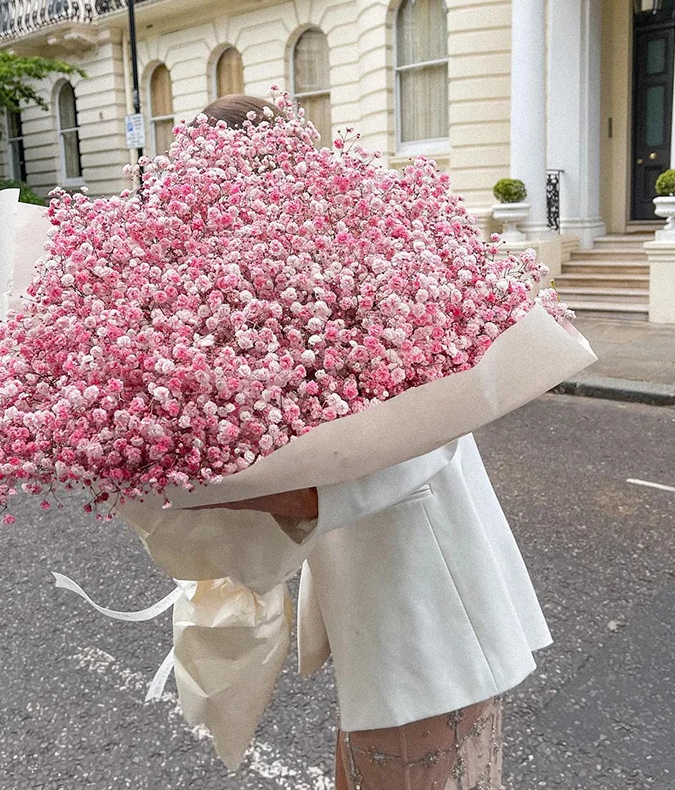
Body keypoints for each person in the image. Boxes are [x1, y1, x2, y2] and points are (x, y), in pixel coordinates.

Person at [192, 95, 552, 790]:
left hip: (430, 619)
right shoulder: (286, 276)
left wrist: (230, 492)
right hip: (388, 624)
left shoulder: (360, 261)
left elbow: (420, 438)